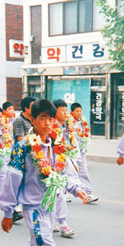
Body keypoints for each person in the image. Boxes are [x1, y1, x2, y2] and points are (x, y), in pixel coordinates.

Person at [0, 99, 88, 246]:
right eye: (43, 118)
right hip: (33, 209)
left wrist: (75, 188)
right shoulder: (23, 147)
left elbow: (64, 172)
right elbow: (12, 180)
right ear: (32, 120)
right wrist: (8, 212)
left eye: (51, 118)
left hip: (53, 206)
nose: (48, 123)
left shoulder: (57, 142)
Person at [51, 99, 78, 237]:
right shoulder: (50, 127)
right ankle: (62, 223)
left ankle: (58, 221)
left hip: (64, 162)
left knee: (58, 192)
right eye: (62, 110)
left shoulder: (67, 125)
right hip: (51, 164)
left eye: (66, 110)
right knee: (56, 193)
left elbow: (72, 144)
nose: (65, 113)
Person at [70, 102, 98, 203]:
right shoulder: (69, 123)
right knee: (69, 172)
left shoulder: (82, 122)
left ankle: (88, 193)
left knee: (84, 171)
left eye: (80, 111)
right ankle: (62, 193)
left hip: (80, 151)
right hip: (71, 152)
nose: (79, 113)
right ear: (71, 112)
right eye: (77, 111)